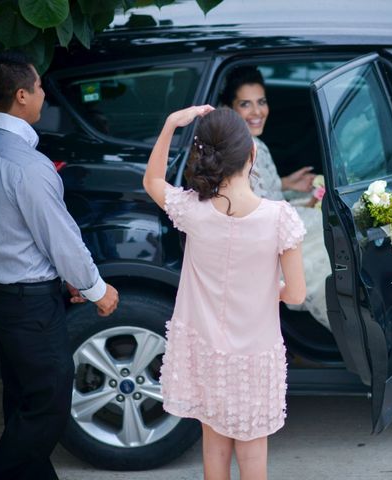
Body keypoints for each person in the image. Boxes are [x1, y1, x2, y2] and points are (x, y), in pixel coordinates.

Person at [0, 51, 119, 480]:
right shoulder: (27, 165)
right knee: (47, 404)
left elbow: (7, 228)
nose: (44, 94)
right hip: (28, 305)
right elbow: (60, 238)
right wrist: (95, 288)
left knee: (22, 400)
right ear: (20, 95)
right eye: (38, 86)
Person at [143, 106, 306, 480]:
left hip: (205, 351)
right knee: (252, 457)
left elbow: (152, 181)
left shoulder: (192, 210)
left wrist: (170, 123)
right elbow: (296, 294)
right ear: (251, 154)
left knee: (213, 449)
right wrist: (271, 292)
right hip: (253, 356)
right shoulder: (280, 218)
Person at [220, 66, 332, 330]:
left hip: (276, 227)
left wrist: (287, 185)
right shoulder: (239, 152)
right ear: (229, 109)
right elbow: (256, 212)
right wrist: (305, 203)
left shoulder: (254, 143)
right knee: (332, 260)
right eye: (245, 104)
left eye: (261, 102)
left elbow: (263, 193)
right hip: (266, 246)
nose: (257, 112)